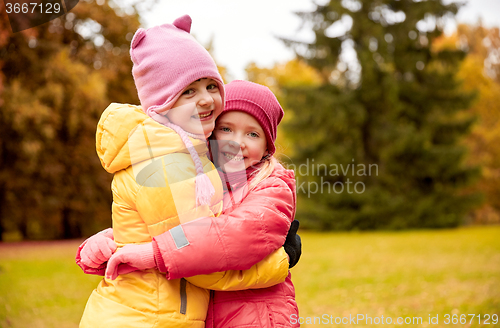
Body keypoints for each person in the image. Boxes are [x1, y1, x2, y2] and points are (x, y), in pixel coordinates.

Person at [78, 16, 292, 328]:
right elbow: (200, 254)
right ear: (161, 102)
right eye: (188, 91)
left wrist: (116, 244)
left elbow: (172, 228)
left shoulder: (191, 159)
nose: (205, 98)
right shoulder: (169, 162)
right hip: (151, 317)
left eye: (209, 86)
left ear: (269, 145)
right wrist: (281, 260)